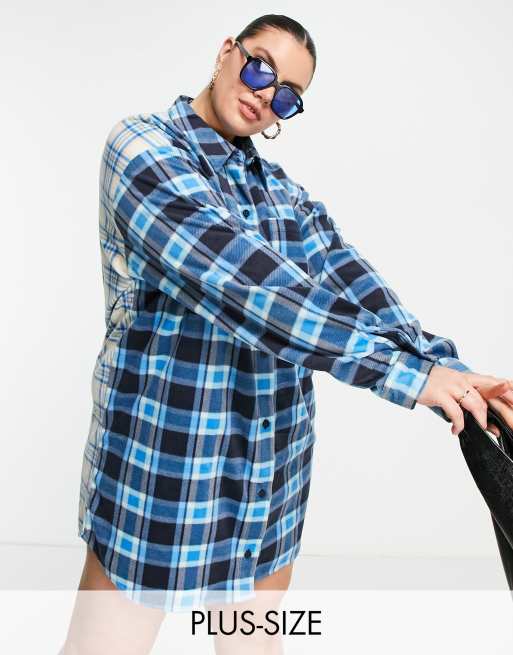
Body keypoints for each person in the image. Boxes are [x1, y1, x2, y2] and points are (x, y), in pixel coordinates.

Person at [61, 13, 513, 655]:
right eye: (260, 69)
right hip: (163, 470)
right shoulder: (142, 149)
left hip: (269, 473)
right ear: (227, 51)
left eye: (288, 96)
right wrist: (410, 376)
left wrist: (452, 373)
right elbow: (254, 287)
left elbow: (351, 282)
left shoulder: (282, 193)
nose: (265, 94)